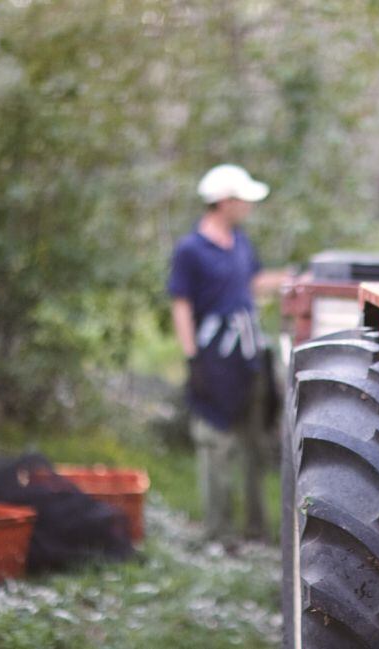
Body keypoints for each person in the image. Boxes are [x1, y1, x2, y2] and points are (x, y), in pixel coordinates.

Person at [167, 164, 288, 543]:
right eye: (244, 199)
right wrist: (192, 358)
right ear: (223, 201)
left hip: (248, 360)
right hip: (213, 362)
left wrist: (293, 278)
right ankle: (218, 533)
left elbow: (252, 284)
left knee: (255, 446)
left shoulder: (240, 243)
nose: (249, 206)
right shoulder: (190, 250)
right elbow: (181, 304)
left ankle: (256, 530)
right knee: (216, 446)